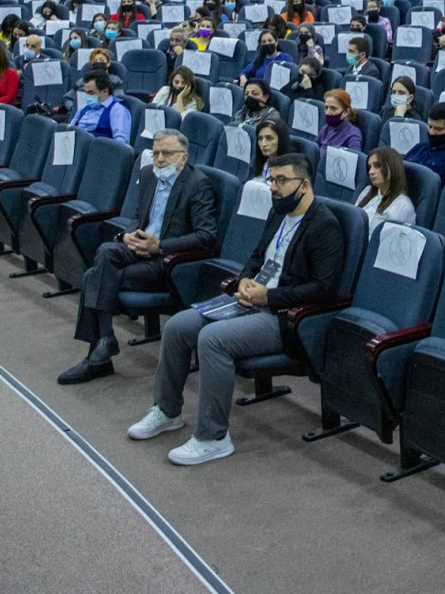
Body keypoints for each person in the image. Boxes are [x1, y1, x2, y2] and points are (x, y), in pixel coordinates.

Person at [127, 152, 342, 465]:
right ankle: (167, 411)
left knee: (212, 340)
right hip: (251, 300)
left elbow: (324, 289)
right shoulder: (280, 212)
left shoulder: (325, 226)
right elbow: (257, 257)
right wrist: (243, 282)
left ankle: (213, 437)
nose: (274, 187)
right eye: (272, 180)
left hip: (282, 316)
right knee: (177, 326)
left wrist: (267, 297)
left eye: (282, 180)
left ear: (305, 184)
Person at [57, 129, 218, 385]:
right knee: (106, 250)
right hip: (138, 248)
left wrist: (161, 246)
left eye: (167, 153)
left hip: (167, 261)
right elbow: (137, 218)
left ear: (184, 158)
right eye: (155, 153)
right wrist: (127, 236)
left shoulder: (198, 184)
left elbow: (207, 236)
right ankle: (105, 340)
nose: (160, 159)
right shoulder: (147, 175)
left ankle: (98, 356)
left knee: (92, 278)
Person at [356, 146, 417, 226]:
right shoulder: (367, 191)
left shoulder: (402, 205)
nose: (371, 172)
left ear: (392, 167)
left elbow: (388, 237)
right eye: (369, 167)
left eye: (377, 166)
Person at [70, 70, 132, 144]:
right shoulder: (84, 107)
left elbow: (122, 143)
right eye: (86, 93)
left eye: (91, 92)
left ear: (105, 92)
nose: (87, 97)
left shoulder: (117, 110)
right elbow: (70, 129)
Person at [316, 88, 363, 157]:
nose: (328, 112)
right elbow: (314, 150)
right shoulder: (326, 127)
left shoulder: (353, 134)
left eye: (333, 108)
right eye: (326, 108)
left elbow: (354, 159)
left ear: (346, 112)